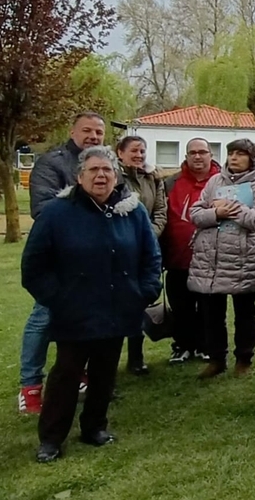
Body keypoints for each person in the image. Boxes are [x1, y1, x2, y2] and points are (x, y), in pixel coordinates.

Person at [22, 146, 162, 462]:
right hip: (75, 311)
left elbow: (150, 256)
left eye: (107, 170)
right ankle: (51, 439)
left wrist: (144, 291)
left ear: (116, 176)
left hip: (117, 308)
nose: (101, 176)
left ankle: (95, 427)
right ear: (80, 176)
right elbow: (34, 266)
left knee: (104, 372)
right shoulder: (57, 213)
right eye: (94, 170)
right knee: (66, 374)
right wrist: (58, 299)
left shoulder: (133, 211)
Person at [18, 112, 105, 415]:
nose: (93, 136)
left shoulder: (104, 163)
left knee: (85, 319)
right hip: (57, 257)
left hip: (94, 257)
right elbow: (42, 209)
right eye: (87, 130)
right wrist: (85, 212)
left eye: (98, 132)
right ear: (72, 131)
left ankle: (77, 375)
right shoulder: (51, 163)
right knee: (43, 318)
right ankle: (30, 386)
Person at [188, 139, 255, 379]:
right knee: (212, 314)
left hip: (243, 258)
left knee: (244, 312)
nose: (234, 158)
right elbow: (195, 213)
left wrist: (231, 207)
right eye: (231, 153)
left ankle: (244, 358)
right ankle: (216, 359)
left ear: (252, 158)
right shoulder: (215, 181)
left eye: (240, 154)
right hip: (212, 258)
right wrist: (216, 213)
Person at [162, 138, 220, 365]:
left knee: (208, 307)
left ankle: (206, 346)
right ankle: (182, 346)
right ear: (186, 156)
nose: (197, 156)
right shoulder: (170, 183)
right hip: (178, 258)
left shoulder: (221, 181)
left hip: (211, 259)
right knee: (181, 306)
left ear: (211, 155)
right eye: (192, 152)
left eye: (202, 152)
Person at [114, 135, 167, 376]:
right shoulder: (113, 176)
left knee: (139, 303)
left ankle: (136, 357)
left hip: (146, 250)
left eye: (142, 151)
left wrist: (149, 237)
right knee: (117, 305)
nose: (139, 155)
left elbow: (161, 211)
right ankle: (107, 359)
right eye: (134, 151)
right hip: (119, 250)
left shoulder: (153, 178)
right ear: (120, 153)